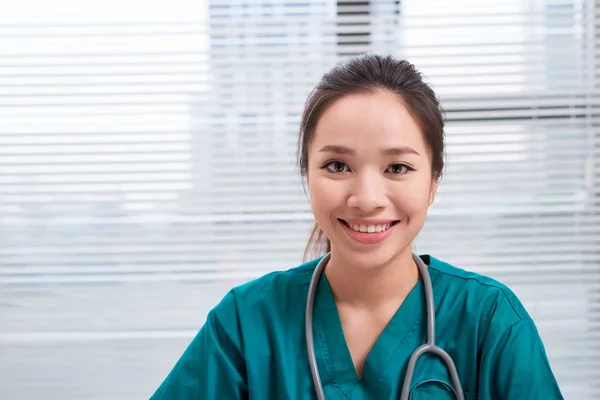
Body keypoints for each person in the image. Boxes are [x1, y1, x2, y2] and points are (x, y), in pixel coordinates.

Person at [149, 54, 564, 399]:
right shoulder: (245, 324)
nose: (366, 198)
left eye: (397, 167)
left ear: (433, 182)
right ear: (306, 175)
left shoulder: (490, 322)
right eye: (337, 166)